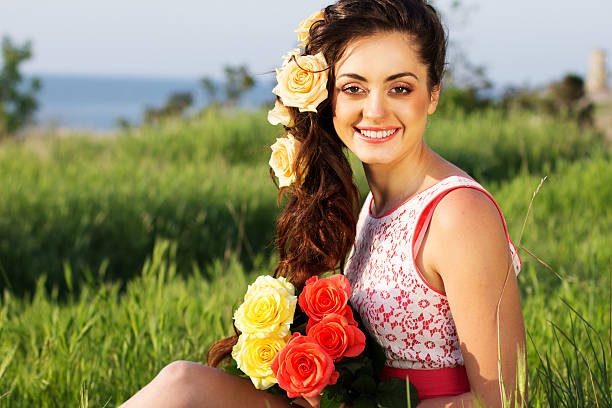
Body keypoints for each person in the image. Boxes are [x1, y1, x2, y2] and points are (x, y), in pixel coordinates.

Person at [119, 0, 527, 407]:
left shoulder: (457, 214)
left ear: (433, 93)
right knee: (184, 383)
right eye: (354, 88)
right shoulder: (374, 207)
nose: (376, 110)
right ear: (329, 99)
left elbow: (505, 400)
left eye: (400, 88)